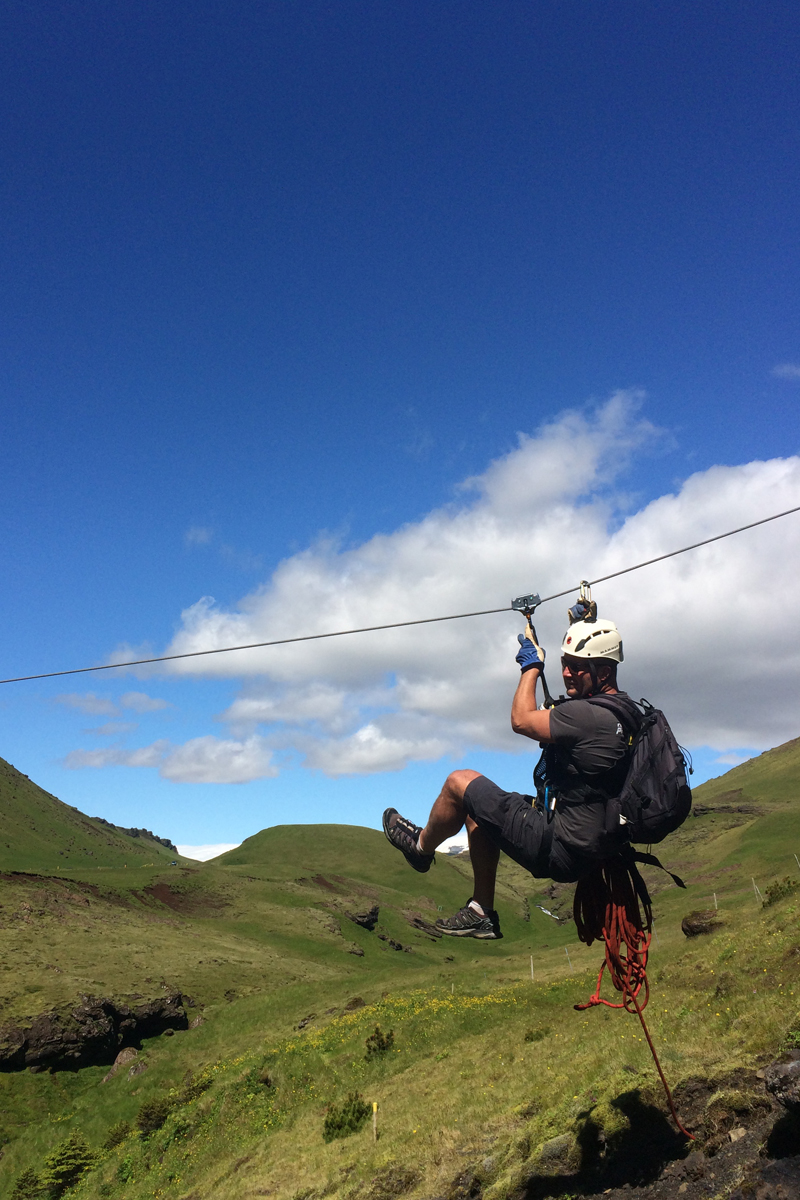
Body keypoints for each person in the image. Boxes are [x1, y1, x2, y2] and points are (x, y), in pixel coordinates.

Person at [382, 601, 635, 939]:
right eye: (565, 664)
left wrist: (531, 667)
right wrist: (583, 623)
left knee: (459, 782)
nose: (566, 673)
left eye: (577, 667)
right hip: (591, 845)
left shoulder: (587, 716)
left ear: (603, 673)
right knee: (480, 807)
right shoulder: (625, 712)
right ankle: (480, 912)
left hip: (559, 844)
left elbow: (521, 720)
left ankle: (420, 849)